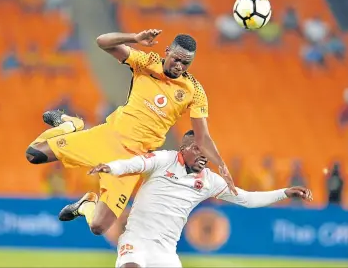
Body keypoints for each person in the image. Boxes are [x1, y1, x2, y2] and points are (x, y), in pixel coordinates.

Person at [25, 29, 237, 236]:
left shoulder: (194, 91)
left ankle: (87, 204)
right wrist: (134, 38)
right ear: (167, 51)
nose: (179, 66)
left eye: (186, 63)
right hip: (106, 137)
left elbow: (202, 137)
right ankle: (71, 125)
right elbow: (102, 41)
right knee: (33, 154)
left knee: (98, 227)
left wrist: (221, 165)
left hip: (131, 161)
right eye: (176, 59)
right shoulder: (146, 62)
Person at [68, 130, 312, 268]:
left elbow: (247, 199)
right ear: (183, 148)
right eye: (197, 149)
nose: (203, 155)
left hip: (165, 252)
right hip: (136, 241)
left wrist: (284, 192)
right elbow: (137, 163)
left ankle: (89, 204)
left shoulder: (209, 180)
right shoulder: (164, 160)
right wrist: (111, 167)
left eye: (205, 151)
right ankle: (89, 204)